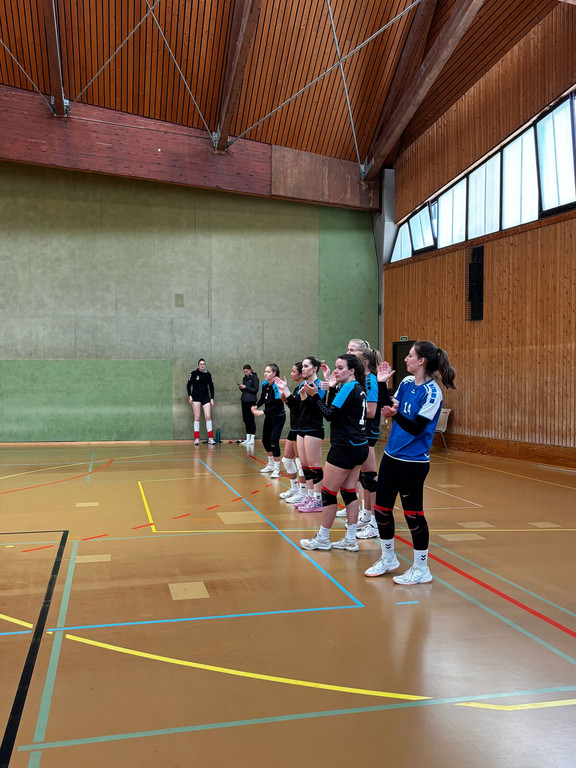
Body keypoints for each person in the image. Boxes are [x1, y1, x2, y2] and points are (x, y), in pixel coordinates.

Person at [365, 341, 456, 584]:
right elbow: (388, 408)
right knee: (381, 509)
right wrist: (381, 384)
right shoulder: (406, 383)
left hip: (413, 462)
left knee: (413, 515)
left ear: (421, 361)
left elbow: (416, 427)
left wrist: (396, 416)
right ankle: (388, 558)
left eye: (410, 355)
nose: (406, 359)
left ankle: (421, 568)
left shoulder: (433, 393)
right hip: (391, 456)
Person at [299, 354, 368, 552]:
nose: (336, 371)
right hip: (359, 446)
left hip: (344, 448)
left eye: (340, 368)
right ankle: (351, 538)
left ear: (352, 370)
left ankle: (322, 538)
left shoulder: (348, 387)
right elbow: (334, 409)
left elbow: (329, 414)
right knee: (349, 491)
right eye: (335, 367)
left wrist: (315, 396)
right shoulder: (358, 388)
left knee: (328, 492)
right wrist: (330, 388)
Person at [294, 357, 327, 513]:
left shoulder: (320, 385)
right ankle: (309, 495)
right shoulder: (303, 385)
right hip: (301, 428)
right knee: (305, 465)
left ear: (315, 368)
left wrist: (306, 396)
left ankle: (318, 499)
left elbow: (317, 407)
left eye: (306, 366)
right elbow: (300, 409)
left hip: (314, 429)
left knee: (314, 466)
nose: (303, 369)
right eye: (302, 366)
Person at [275, 363, 307, 503]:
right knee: (287, 460)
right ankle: (294, 488)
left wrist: (286, 393)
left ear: (301, 374)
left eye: (294, 371)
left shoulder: (305, 388)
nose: (291, 373)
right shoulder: (296, 389)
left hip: (301, 429)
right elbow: (294, 408)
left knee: (300, 462)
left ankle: (303, 492)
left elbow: (300, 409)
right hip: (293, 427)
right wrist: (285, 399)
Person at [251, 364, 286, 479]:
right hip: (269, 416)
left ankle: (277, 469)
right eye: (265, 371)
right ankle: (270, 464)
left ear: (274, 373)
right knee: (265, 440)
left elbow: (277, 406)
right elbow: (262, 399)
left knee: (274, 441)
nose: (265, 373)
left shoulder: (277, 386)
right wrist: (256, 406)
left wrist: (262, 412)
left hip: (278, 416)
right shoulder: (264, 384)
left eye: (268, 371)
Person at [187, 358, 215, 445]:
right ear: (198, 365)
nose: (202, 365)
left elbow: (211, 386)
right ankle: (196, 438)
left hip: (205, 397)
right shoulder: (193, 373)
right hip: (196, 397)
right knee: (197, 417)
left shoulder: (208, 374)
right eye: (201, 364)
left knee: (208, 416)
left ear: (205, 365)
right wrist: (190, 396)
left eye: (203, 364)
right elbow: (188, 385)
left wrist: (212, 398)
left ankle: (210, 438)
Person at [238, 364, 259, 445]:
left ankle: (252, 438)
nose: (245, 373)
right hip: (244, 400)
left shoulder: (255, 378)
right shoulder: (244, 378)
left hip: (251, 401)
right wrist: (241, 388)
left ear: (250, 370)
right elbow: (245, 390)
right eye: (244, 372)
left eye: (247, 371)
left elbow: (255, 390)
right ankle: (248, 438)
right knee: (245, 419)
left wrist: (245, 387)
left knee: (250, 419)